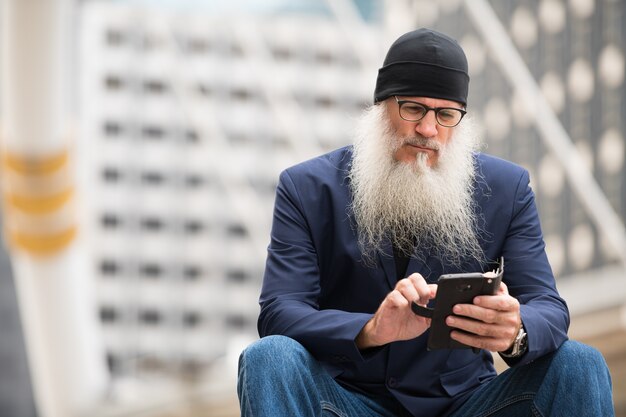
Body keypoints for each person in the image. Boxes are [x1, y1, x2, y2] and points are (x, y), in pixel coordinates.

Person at [237, 28, 615, 417]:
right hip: (346, 402)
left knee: (579, 363)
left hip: (466, 405)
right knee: (269, 357)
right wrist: (371, 329)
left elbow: (549, 306)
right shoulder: (306, 187)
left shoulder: (507, 188)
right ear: (381, 108)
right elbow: (280, 311)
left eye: (446, 115)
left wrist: (515, 331)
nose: (428, 129)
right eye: (413, 109)